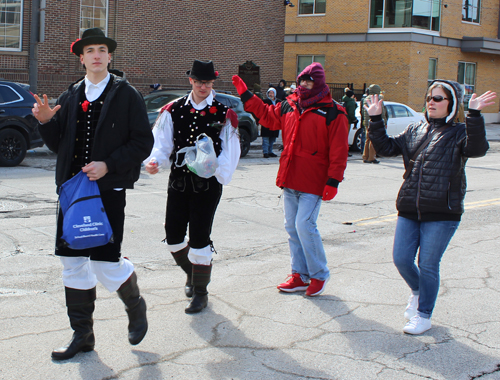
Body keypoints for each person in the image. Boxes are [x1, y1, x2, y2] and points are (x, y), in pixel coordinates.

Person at [32, 28, 154, 360]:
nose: (97, 55)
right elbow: (60, 146)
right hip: (73, 192)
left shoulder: (126, 94)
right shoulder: (70, 95)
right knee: (71, 263)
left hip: (107, 190)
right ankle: (82, 335)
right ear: (82, 58)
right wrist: (45, 122)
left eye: (102, 49)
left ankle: (135, 304)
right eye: (90, 50)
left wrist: (108, 165)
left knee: (104, 263)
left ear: (109, 57)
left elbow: (143, 142)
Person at [364, 80, 496, 334]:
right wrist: (376, 120)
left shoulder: (459, 133)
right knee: (401, 259)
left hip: (443, 211)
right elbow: (386, 148)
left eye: (438, 99)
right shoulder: (415, 129)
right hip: (409, 207)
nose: (431, 103)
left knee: (427, 263)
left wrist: (475, 115)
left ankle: (423, 315)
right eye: (429, 98)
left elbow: (478, 149)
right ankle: (418, 290)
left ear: (452, 104)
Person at [232, 62, 349, 297]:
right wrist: (247, 96)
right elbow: (266, 116)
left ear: (320, 83)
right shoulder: (289, 105)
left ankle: (319, 274)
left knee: (304, 225)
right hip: (290, 177)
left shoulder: (334, 112)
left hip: (314, 181)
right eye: (302, 80)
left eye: (310, 81)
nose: (304, 85)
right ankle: (299, 275)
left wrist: (333, 180)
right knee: (292, 227)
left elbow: (339, 150)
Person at [144, 60, 240, 314]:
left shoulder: (223, 113)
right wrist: (154, 161)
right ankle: (192, 273)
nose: (203, 87)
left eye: (207, 83)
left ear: (212, 83)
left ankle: (200, 292)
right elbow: (161, 143)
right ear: (191, 81)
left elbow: (231, 150)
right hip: (178, 181)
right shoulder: (172, 109)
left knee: (199, 240)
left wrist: (218, 173)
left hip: (207, 186)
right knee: (173, 238)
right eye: (198, 82)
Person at [361, 84, 388, 163]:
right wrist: (384, 121)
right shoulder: (377, 99)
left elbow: (363, 111)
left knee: (367, 139)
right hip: (375, 122)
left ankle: (365, 156)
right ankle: (371, 158)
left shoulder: (366, 99)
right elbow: (382, 112)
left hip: (367, 122)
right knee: (373, 140)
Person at [261, 88, 280, 158]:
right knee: (266, 138)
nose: (270, 94)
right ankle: (265, 152)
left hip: (275, 122)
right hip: (266, 122)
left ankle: (270, 151)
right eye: (269, 93)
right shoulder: (265, 101)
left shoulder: (278, 101)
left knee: (272, 138)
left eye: (272, 93)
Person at [342, 88, 357, 157]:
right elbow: (351, 113)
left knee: (343, 136)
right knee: (346, 136)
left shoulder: (345, 100)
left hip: (343, 119)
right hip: (348, 120)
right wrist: (354, 119)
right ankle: (345, 151)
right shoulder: (351, 102)